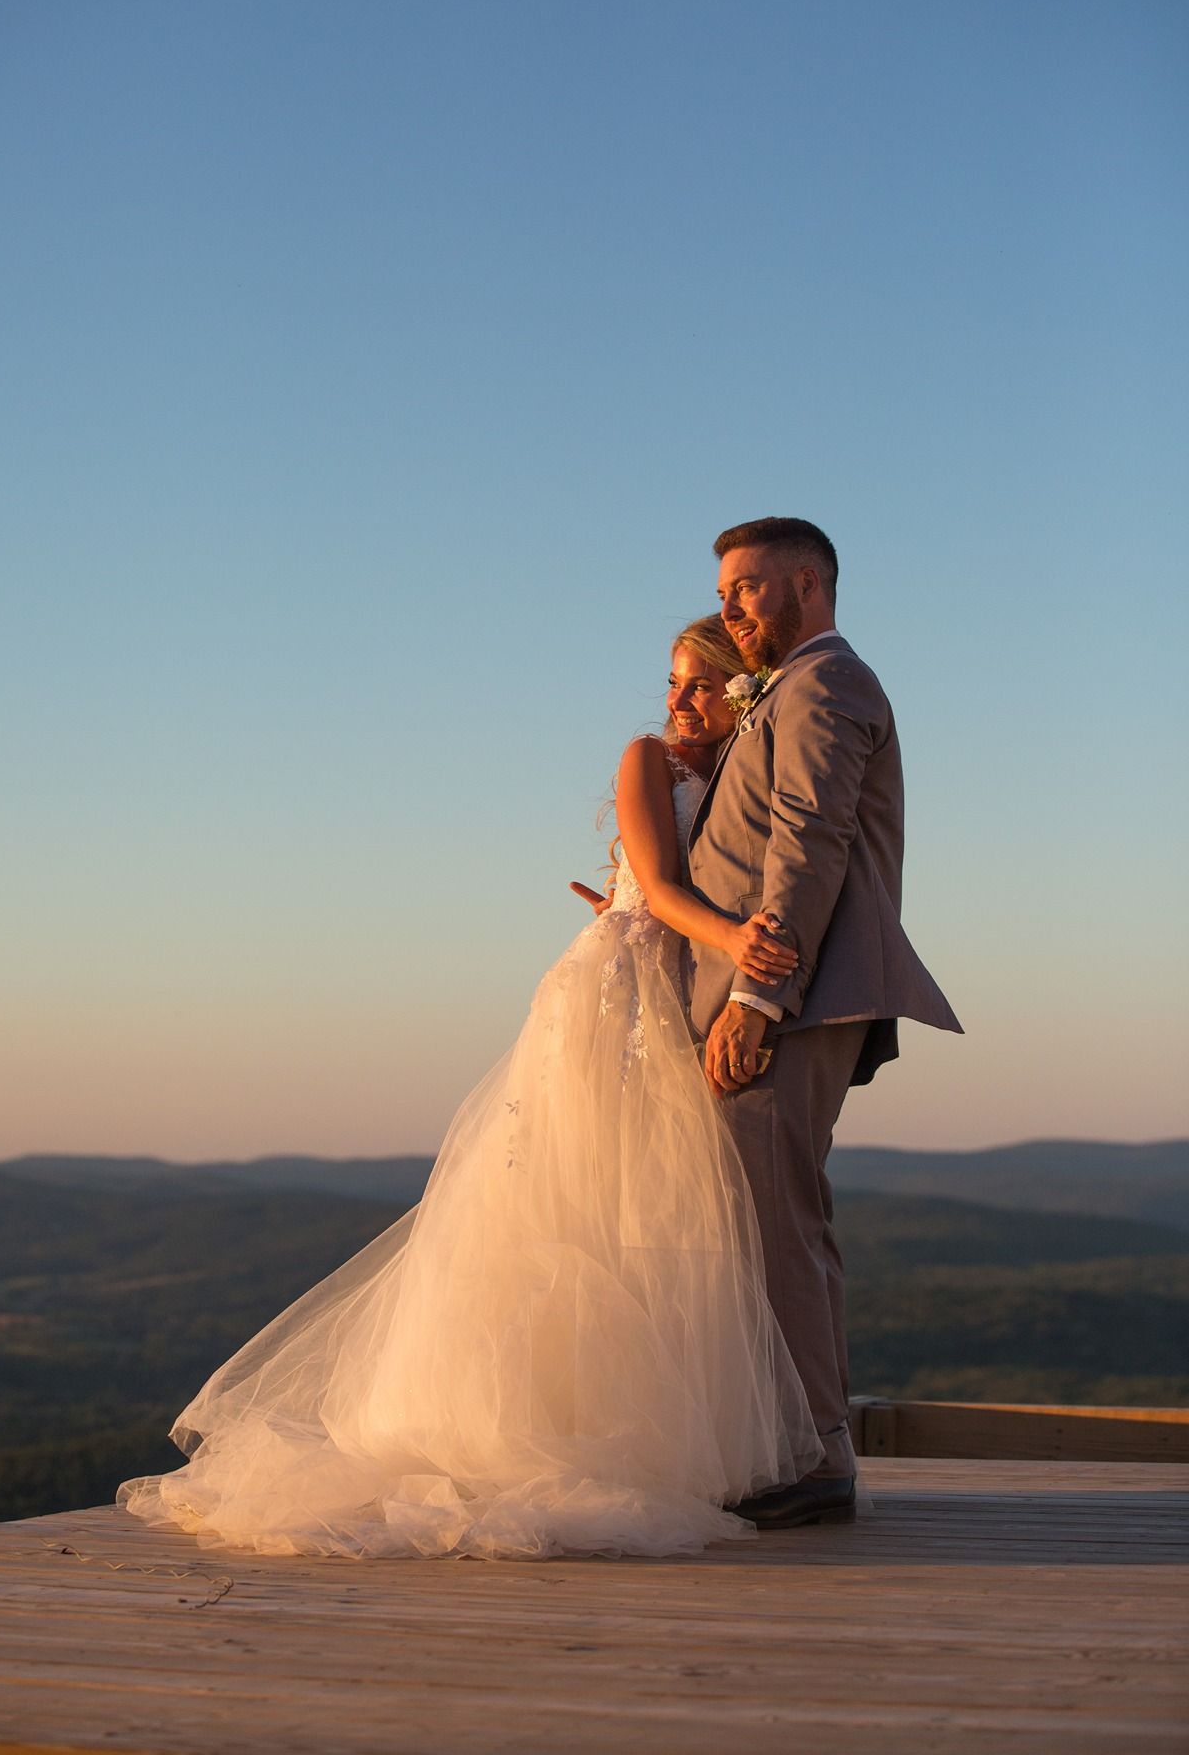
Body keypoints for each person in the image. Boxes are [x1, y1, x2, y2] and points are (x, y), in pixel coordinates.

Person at [118, 617, 823, 1560]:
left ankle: (624, 1426)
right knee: (561, 1203)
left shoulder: (747, 763)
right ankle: (524, 1432)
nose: (680, 701)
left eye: (704, 685)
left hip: (675, 998)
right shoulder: (647, 757)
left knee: (648, 1211)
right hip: (613, 999)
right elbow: (655, 884)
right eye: (674, 682)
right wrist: (730, 940)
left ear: (741, 691)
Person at [687, 518, 962, 1528]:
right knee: (768, 1221)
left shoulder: (826, 684)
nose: (730, 609)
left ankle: (812, 1455)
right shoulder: (786, 690)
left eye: (747, 588)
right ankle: (793, 1441)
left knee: (773, 1227)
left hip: (786, 1004)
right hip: (770, 1000)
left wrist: (756, 999)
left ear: (807, 584)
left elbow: (805, 843)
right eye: (723, 594)